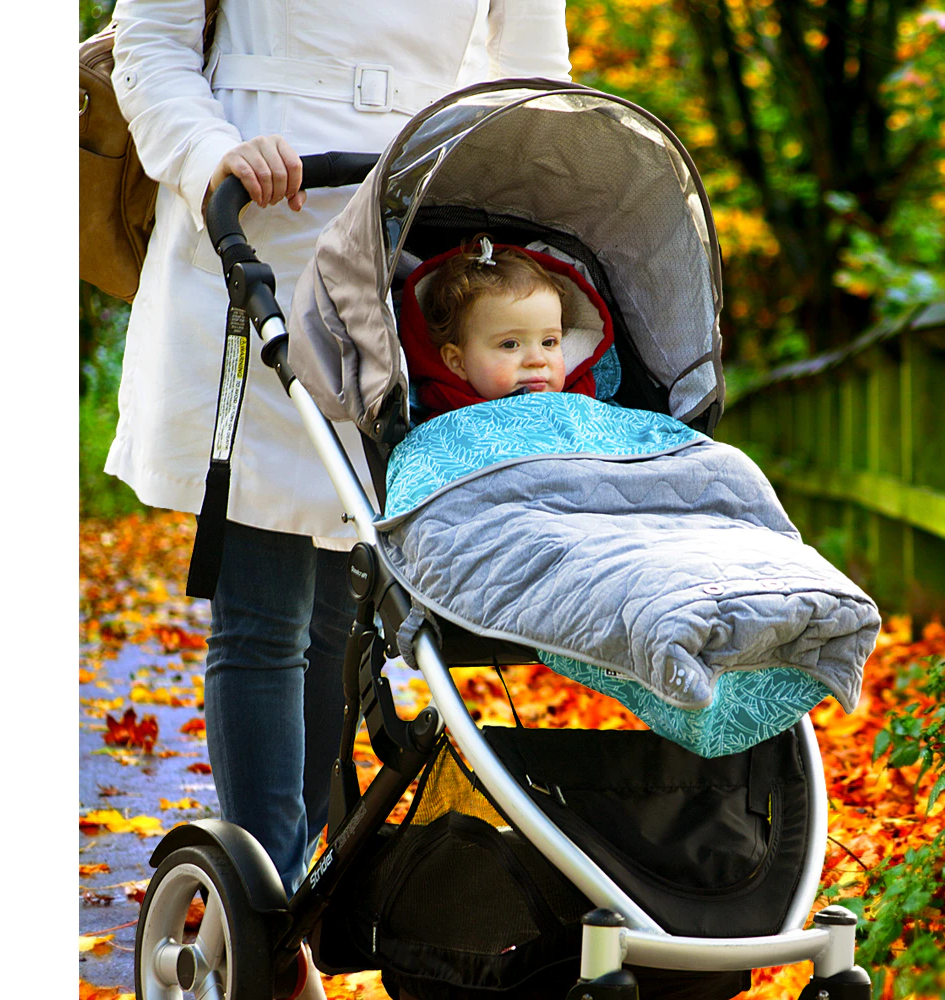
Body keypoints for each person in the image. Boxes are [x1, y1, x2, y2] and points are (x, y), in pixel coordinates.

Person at [107, 2, 571, 994]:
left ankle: (299, 890)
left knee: (335, 615)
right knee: (267, 603)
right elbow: (150, 40)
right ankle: (267, 913)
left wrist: (499, 219)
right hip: (254, 227)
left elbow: (533, 86)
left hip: (404, 248)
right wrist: (211, 152)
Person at [401, 237, 615, 419]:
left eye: (549, 342)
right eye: (510, 344)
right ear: (459, 362)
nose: (537, 360)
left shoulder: (586, 401)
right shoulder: (446, 421)